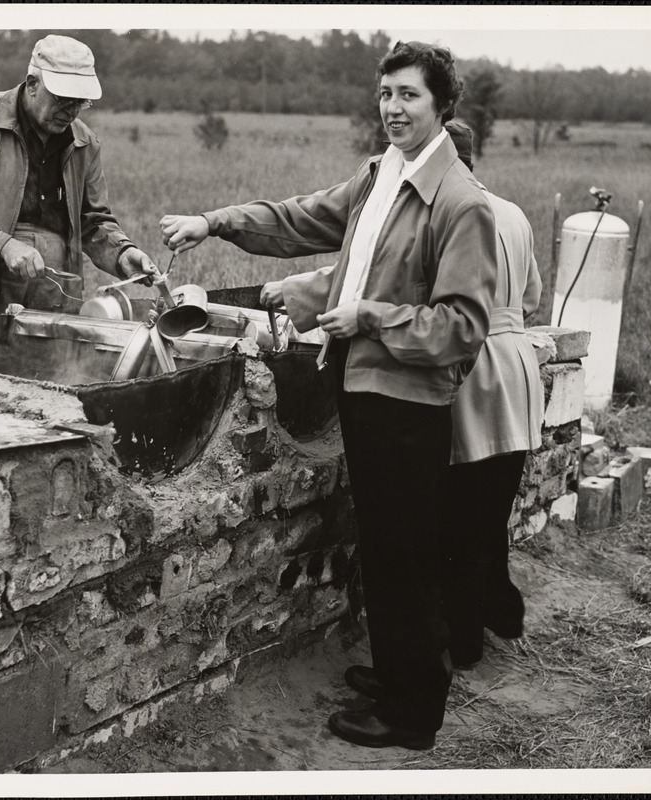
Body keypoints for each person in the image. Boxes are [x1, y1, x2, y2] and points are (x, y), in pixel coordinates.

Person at [159, 41, 497, 750]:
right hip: (365, 391)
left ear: (441, 106)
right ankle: (401, 673)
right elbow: (298, 219)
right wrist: (214, 222)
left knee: (406, 554)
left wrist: (370, 316)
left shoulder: (462, 202)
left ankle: (413, 714)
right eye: (384, 94)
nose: (392, 108)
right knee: (383, 546)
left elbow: (462, 328)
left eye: (408, 95)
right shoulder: (380, 176)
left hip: (410, 406)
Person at [0, 35, 158, 325]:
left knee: (42, 370)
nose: (71, 110)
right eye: (63, 99)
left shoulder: (84, 143)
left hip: (49, 304)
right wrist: (3, 246)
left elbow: (93, 221)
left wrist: (122, 253)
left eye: (79, 102)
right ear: (32, 85)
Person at [440, 121, 544, 669]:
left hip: (474, 367)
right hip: (519, 364)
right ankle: (500, 609)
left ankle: (464, 642)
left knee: (459, 513)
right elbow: (532, 294)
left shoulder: (446, 213)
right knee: (493, 506)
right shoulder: (514, 212)